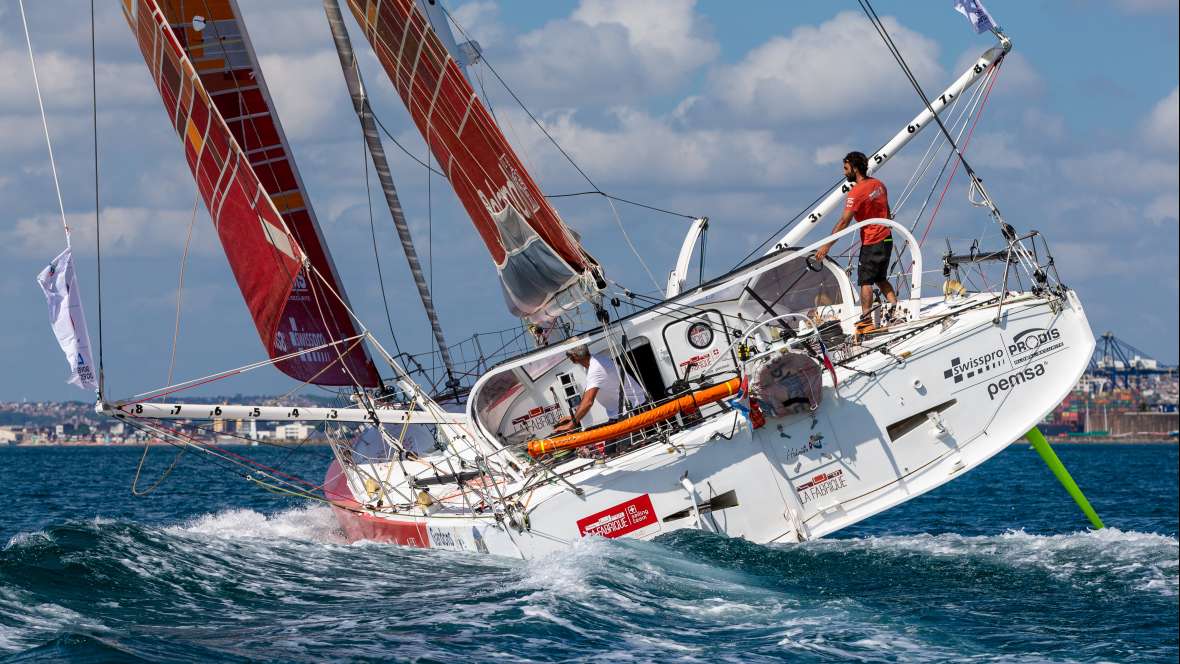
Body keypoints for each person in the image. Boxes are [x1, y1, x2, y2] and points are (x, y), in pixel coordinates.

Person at [813, 151, 898, 334]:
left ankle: (866, 320)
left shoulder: (856, 192)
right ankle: (895, 309)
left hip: (872, 240)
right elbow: (887, 210)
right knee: (880, 278)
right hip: (887, 237)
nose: (844, 173)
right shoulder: (879, 184)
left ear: (855, 168)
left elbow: (844, 221)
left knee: (865, 281)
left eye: (846, 168)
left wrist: (827, 245)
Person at [552, 345, 646, 433]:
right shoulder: (592, 362)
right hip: (618, 414)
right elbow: (587, 393)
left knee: (619, 450)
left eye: (568, 355)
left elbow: (588, 401)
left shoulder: (595, 368)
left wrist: (571, 424)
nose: (569, 358)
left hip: (632, 410)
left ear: (575, 356)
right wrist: (574, 416)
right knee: (610, 449)